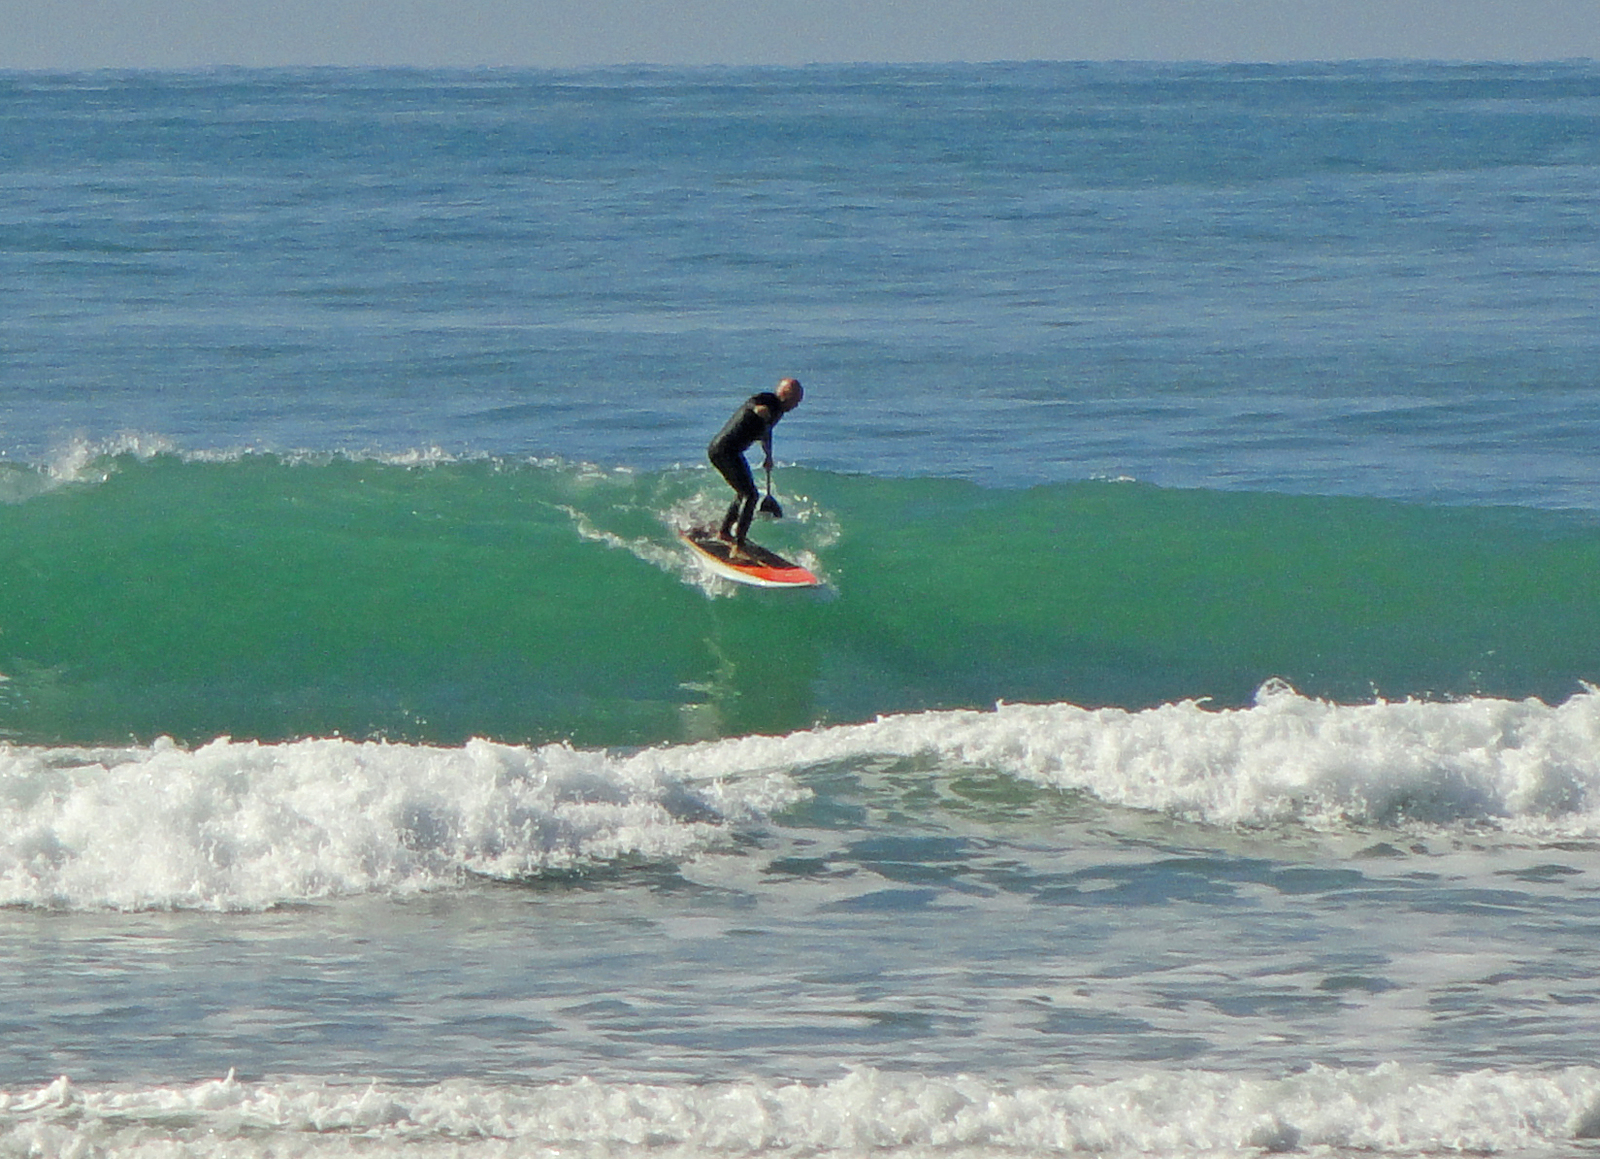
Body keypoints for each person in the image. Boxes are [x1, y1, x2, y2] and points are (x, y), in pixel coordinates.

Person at [707, 377, 803, 558]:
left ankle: (724, 532)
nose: (797, 405)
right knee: (750, 495)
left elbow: (766, 433)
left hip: (733, 453)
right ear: (785, 394)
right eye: (796, 399)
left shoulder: (778, 412)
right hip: (723, 451)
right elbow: (752, 403)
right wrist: (756, 409)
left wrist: (768, 456)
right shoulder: (768, 400)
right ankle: (738, 545)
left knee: (743, 492)